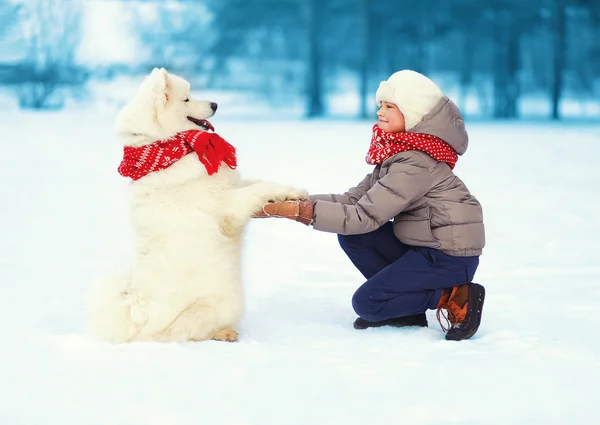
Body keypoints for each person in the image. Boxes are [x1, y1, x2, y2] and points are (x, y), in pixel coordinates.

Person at [252, 70, 485, 341]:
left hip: (448, 258)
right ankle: (404, 310)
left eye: (389, 107)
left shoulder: (415, 163)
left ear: (413, 114)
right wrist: (290, 201)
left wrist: (298, 213)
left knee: (369, 303)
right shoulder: (400, 154)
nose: (380, 112)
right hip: (425, 247)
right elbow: (353, 201)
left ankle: (453, 295)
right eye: (380, 106)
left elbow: (362, 216)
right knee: (355, 238)